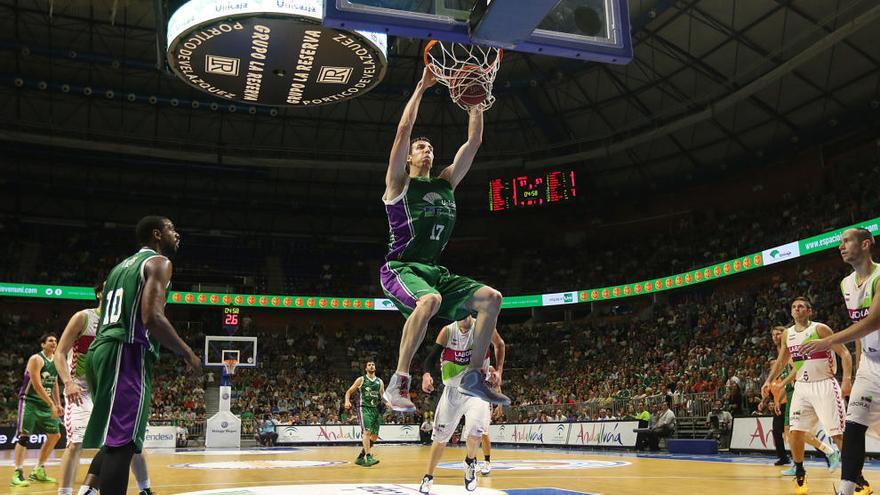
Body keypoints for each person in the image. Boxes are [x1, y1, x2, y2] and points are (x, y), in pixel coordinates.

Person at [380, 66, 508, 412]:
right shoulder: (399, 184)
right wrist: (421, 85)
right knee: (430, 301)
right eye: (421, 147)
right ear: (409, 157)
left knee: (492, 299)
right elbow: (403, 129)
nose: (427, 151)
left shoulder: (446, 181)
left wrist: (476, 102)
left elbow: (474, 142)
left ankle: (473, 376)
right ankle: (399, 381)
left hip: (434, 270)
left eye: (431, 147)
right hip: (401, 268)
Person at [81, 216, 202, 494]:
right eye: (172, 229)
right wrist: (187, 353)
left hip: (101, 351)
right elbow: (152, 317)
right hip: (126, 351)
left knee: (116, 437)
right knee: (122, 444)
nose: (177, 234)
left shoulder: (117, 269)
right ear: (157, 234)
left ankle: (87, 489)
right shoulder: (159, 263)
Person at [54, 281, 154, 495]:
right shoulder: (84, 317)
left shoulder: (123, 322)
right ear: (100, 294)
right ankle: (64, 493)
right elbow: (59, 353)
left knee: (129, 443)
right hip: (80, 390)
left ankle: (144, 489)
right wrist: (68, 383)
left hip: (111, 390)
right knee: (75, 444)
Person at [800, 227, 880, 495]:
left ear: (866, 244)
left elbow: (874, 321)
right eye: (840, 242)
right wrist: (856, 372)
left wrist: (828, 342)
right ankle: (847, 489)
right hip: (870, 364)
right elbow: (860, 328)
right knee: (854, 424)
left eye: (846, 241)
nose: (840, 246)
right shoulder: (846, 284)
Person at [763, 297, 851, 495]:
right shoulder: (788, 334)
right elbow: (781, 360)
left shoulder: (820, 329)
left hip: (825, 384)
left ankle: (854, 476)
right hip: (802, 387)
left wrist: (846, 379)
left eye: (801, 306)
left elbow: (845, 353)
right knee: (795, 431)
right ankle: (800, 473)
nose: (796, 309)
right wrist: (769, 380)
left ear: (809, 311)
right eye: (794, 307)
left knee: (837, 434)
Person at [418, 316, 504, 493]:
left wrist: (499, 370)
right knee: (440, 439)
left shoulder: (484, 327)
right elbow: (431, 358)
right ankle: (428, 476)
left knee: (476, 431)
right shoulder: (448, 331)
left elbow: (500, 345)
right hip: (452, 391)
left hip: (477, 389)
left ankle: (470, 462)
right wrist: (426, 374)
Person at [765, 327, 834, 471]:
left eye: (778, 333)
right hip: (790, 393)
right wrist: (778, 399)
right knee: (790, 435)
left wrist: (782, 384)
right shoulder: (780, 354)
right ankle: (798, 464)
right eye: (773, 334)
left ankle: (828, 451)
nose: (775, 336)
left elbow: (798, 369)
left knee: (796, 432)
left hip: (800, 391)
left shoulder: (790, 353)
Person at [10, 333, 63, 487]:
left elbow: (53, 383)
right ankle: (17, 473)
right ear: (43, 344)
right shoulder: (36, 359)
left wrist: (58, 403)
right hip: (30, 401)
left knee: (55, 435)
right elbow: (37, 384)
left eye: (55, 340)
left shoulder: (56, 360)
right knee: (24, 437)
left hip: (45, 404)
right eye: (50, 340)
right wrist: (51, 404)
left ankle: (38, 469)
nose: (54, 342)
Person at [344, 361, 385, 467]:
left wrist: (390, 403)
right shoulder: (361, 379)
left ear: (375, 367)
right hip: (364, 408)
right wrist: (347, 401)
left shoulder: (379, 381)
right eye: (369, 365)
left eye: (373, 365)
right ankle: (369, 456)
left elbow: (383, 396)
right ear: (366, 368)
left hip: (375, 410)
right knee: (366, 432)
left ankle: (360, 458)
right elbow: (348, 391)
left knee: (374, 437)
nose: (372, 366)